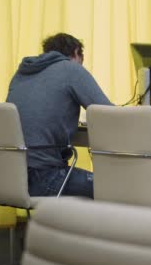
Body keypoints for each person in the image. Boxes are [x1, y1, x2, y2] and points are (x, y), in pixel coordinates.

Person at [6, 32, 112, 199]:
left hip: (8, 178)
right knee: (118, 188)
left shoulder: (20, 74)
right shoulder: (71, 69)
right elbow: (111, 117)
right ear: (76, 53)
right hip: (45, 178)